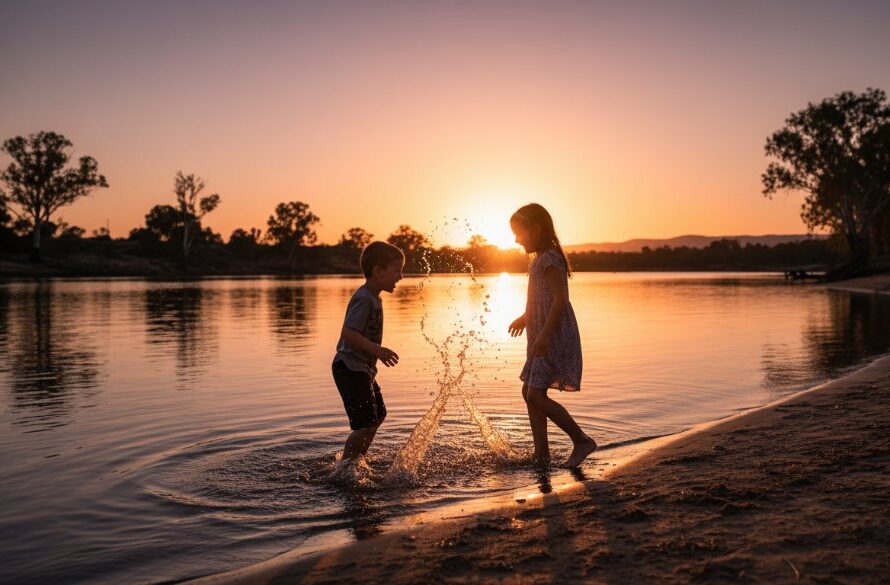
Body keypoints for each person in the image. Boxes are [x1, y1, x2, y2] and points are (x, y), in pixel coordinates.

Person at [508, 203, 597, 468]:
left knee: (535, 394)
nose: (516, 239)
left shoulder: (549, 259)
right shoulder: (539, 259)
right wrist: (525, 318)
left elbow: (560, 300)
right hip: (540, 333)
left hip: (552, 335)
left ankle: (581, 440)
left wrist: (544, 335)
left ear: (535, 229)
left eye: (519, 233)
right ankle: (542, 454)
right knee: (529, 391)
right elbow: (543, 298)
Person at [332, 241, 404, 464]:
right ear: (378, 271)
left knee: (378, 415)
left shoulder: (374, 297)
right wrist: (378, 350)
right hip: (349, 368)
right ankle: (346, 468)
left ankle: (357, 461)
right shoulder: (364, 298)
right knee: (364, 424)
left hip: (361, 368)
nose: (400, 277)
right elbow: (348, 333)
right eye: (397, 271)